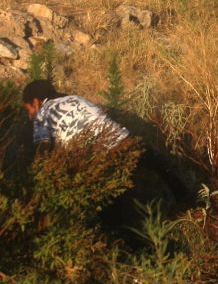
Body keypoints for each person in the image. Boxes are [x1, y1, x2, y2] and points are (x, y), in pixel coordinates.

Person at [21, 79, 192, 205]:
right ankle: (189, 201)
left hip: (103, 160)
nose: (29, 115)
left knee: (109, 205)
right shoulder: (76, 98)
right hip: (128, 142)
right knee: (160, 164)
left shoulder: (41, 114)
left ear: (35, 102)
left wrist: (37, 180)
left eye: (28, 109)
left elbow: (43, 148)